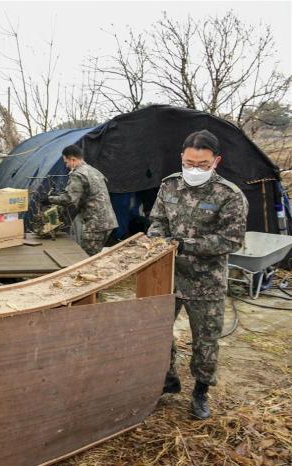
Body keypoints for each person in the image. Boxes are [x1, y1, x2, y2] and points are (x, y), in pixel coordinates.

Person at [148, 129, 248, 420]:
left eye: (202, 164)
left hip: (207, 283)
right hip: (167, 276)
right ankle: (167, 380)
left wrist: (182, 245)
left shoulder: (229, 195)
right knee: (158, 330)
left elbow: (231, 240)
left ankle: (201, 391)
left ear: (216, 161)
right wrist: (157, 241)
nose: (194, 169)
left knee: (206, 340)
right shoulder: (169, 186)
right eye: (189, 162)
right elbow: (157, 221)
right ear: (182, 157)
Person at [49, 145, 118, 255]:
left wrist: (49, 199)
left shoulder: (78, 174)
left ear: (73, 159)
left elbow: (69, 199)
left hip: (95, 224)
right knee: (92, 255)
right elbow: (84, 196)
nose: (66, 165)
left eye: (66, 162)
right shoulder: (93, 171)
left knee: (86, 258)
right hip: (107, 221)